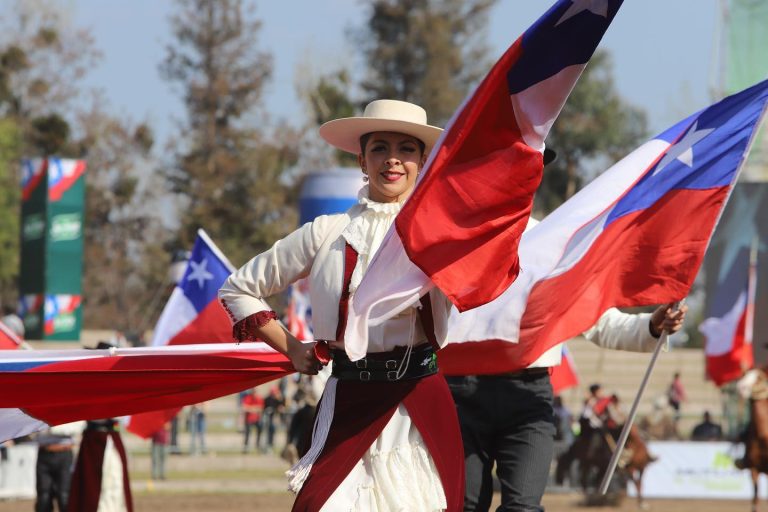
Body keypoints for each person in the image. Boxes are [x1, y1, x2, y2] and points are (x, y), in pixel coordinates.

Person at [219, 99, 463, 511]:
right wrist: (293, 349)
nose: (393, 160)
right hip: (350, 396)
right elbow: (238, 288)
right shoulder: (327, 232)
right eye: (380, 148)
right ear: (362, 160)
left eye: (406, 149)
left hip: (420, 400)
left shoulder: (445, 233)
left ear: (422, 160)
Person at [450, 303, 687, 512]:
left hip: (530, 395)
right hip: (462, 387)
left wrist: (651, 327)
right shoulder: (462, 251)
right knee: (466, 505)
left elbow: (597, 318)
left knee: (523, 508)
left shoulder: (558, 254)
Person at [67, 418, 133, 512]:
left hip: (112, 439)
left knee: (115, 480)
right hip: (92, 441)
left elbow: (125, 418)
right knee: (90, 487)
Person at [34, 421, 83, 512]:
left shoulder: (68, 409)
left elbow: (78, 427)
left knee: (64, 495)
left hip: (64, 454)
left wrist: (53, 427)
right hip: (44, 453)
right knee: (44, 496)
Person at [241, 387, 265, 453]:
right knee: (247, 432)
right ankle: (246, 446)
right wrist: (254, 409)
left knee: (260, 429)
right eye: (253, 391)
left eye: (255, 391)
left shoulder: (259, 398)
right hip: (249, 419)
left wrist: (250, 408)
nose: (254, 392)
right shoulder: (247, 397)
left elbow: (261, 409)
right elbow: (244, 408)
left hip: (257, 419)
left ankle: (258, 444)